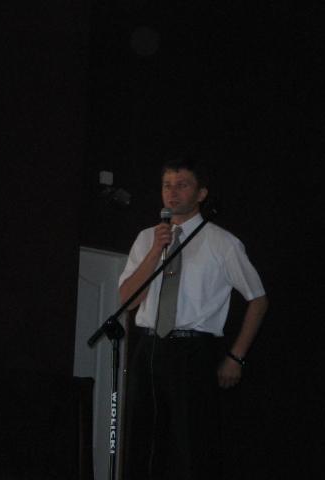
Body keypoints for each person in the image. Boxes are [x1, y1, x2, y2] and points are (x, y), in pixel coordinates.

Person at [118, 155, 268, 480]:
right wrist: (156, 251)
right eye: (167, 185)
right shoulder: (147, 238)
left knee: (192, 445)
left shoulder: (222, 243)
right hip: (149, 348)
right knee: (143, 441)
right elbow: (127, 299)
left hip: (192, 352)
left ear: (201, 193)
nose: (172, 193)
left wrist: (235, 357)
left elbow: (258, 299)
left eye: (182, 185)